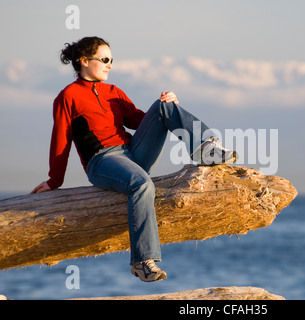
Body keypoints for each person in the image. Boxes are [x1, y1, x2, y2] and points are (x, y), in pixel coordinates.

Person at [31, 36, 237, 282]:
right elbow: (61, 140)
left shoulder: (114, 92)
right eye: (105, 59)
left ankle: (205, 148)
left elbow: (140, 121)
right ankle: (142, 261)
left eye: (112, 60)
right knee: (141, 184)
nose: (110, 65)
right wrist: (54, 180)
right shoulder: (68, 96)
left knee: (163, 106)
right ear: (84, 61)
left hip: (132, 152)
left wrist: (167, 105)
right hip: (102, 161)